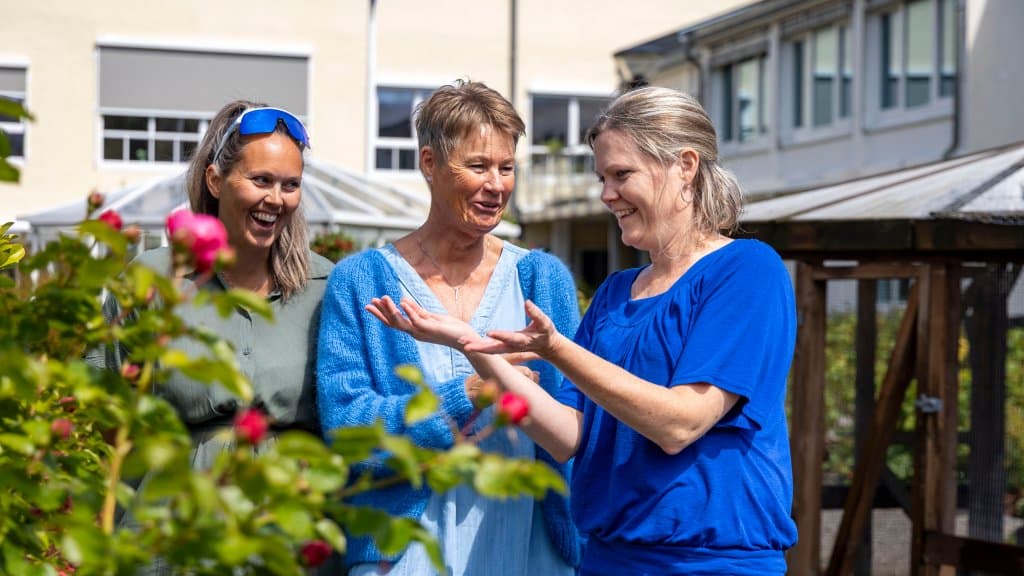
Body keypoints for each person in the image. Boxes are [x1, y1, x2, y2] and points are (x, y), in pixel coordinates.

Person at [367, 86, 799, 575]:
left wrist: (556, 349)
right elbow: (567, 437)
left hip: (708, 563)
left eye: (621, 175)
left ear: (685, 166)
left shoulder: (746, 271)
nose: (606, 194)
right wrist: (469, 344)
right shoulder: (616, 294)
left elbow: (681, 423)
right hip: (606, 559)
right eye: (602, 178)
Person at [316, 80, 580, 576]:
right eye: (478, 166)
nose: (496, 184)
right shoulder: (362, 281)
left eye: (506, 168)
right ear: (430, 163)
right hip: (404, 555)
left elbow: (580, 425)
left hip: (530, 551)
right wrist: (469, 392)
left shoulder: (543, 282)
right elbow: (349, 433)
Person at [88, 100, 334, 573]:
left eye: (290, 185)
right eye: (261, 180)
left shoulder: (324, 288)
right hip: (170, 534)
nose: (276, 199)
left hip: (286, 536)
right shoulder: (154, 279)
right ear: (215, 180)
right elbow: (101, 415)